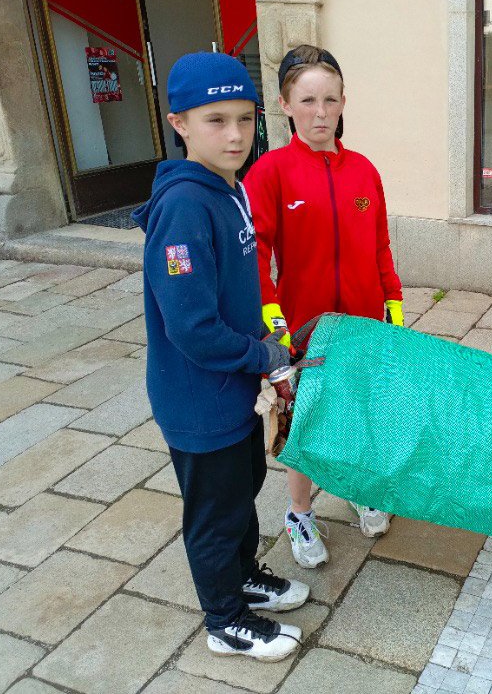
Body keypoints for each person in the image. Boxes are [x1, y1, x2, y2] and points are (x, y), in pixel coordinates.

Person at [132, 52, 309, 662]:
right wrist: (265, 354)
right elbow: (192, 327)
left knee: (244, 487)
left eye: (245, 119)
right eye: (216, 121)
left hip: (230, 388)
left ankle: (243, 577)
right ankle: (225, 620)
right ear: (179, 123)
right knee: (214, 511)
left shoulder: (227, 187)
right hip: (197, 397)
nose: (235, 135)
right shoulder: (184, 206)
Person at [244, 45, 404, 570]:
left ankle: (358, 489)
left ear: (343, 103)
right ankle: (299, 512)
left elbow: (379, 245)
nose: (320, 112)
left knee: (360, 409)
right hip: (303, 325)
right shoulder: (270, 172)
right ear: (285, 105)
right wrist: (272, 317)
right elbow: (255, 255)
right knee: (304, 420)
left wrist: (393, 300)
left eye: (330, 100)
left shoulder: (364, 171)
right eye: (307, 100)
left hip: (363, 323)